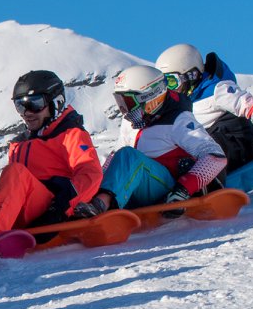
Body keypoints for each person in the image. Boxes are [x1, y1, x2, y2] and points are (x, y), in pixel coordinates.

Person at [0, 70, 106, 232]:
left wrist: (63, 205)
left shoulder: (71, 135)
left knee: (16, 172)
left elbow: (91, 174)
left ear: (56, 102)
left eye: (34, 103)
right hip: (17, 210)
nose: (26, 113)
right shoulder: (19, 143)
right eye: (20, 105)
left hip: (50, 208)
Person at [88, 64, 228, 210]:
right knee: (114, 159)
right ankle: (94, 202)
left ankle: (102, 204)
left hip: (168, 190)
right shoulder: (130, 122)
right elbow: (115, 157)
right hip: (136, 186)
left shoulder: (178, 120)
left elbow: (215, 156)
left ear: (150, 96)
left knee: (128, 155)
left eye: (128, 102)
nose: (125, 110)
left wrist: (183, 190)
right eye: (120, 102)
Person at [157, 43, 253, 170]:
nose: (167, 90)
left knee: (200, 146)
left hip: (236, 147)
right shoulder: (179, 103)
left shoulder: (218, 90)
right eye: (162, 85)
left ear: (190, 75)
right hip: (208, 155)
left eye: (171, 82)